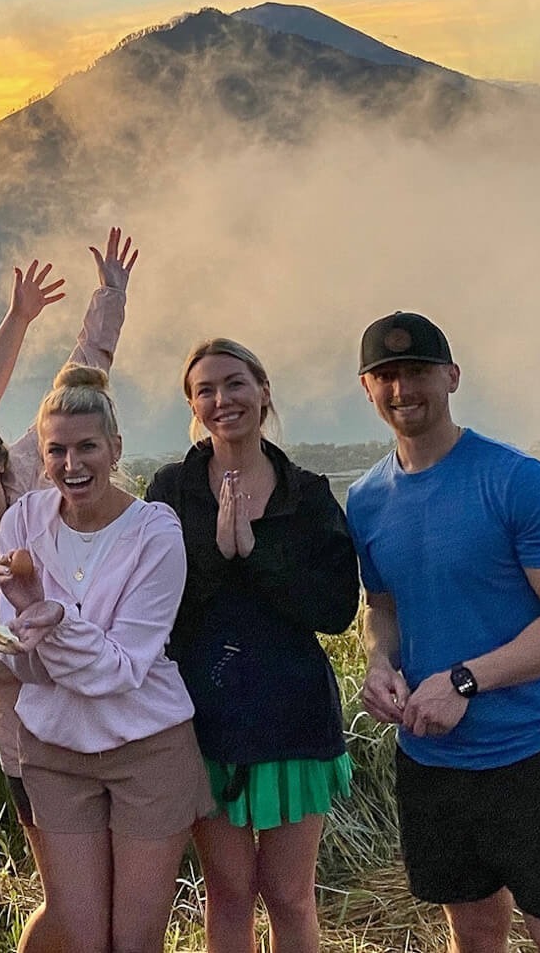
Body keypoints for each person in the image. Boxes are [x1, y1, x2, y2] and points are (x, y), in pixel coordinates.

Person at [346, 312, 540, 953]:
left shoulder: (518, 482)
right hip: (432, 757)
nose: (401, 389)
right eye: (384, 375)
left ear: (451, 377)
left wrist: (464, 681)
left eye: (416, 371)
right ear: (366, 388)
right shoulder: (366, 499)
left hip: (536, 752)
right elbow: (381, 603)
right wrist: (379, 662)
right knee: (472, 932)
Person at [0, 231, 136, 953]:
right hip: (35, 741)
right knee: (73, 905)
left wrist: (109, 298)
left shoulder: (29, 474)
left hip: (107, 721)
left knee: (104, 896)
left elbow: (77, 384)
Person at [146, 341, 358, 953]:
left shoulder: (307, 494)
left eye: (235, 384)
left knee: (289, 893)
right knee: (230, 890)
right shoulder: (172, 490)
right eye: (205, 390)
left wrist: (255, 553)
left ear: (263, 391)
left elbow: (337, 609)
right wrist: (217, 551)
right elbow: (154, 608)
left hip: (294, 717)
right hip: (202, 718)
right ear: (192, 404)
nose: (222, 399)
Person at [0, 365, 210, 953]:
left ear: (115, 448)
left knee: (136, 941)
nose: (72, 464)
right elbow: (19, 659)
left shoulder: (154, 532)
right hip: (54, 750)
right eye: (56, 450)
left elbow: (122, 669)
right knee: (82, 939)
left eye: (87, 446)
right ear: (41, 455)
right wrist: (35, 631)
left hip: (148, 750)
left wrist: (53, 619)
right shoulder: (22, 522)